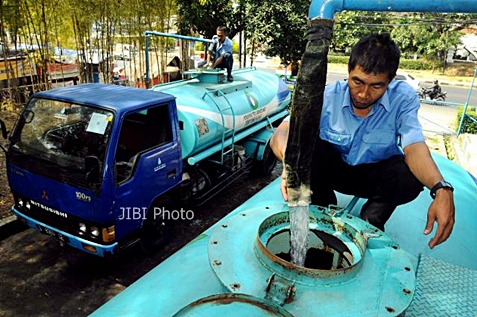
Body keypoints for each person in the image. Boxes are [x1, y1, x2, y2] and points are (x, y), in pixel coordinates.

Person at [270, 33, 455, 249]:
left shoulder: (403, 98)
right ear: (348, 72)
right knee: (309, 149)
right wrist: (290, 164)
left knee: (409, 177)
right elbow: (281, 134)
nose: (364, 94)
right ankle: (321, 206)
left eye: (376, 86)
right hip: (334, 172)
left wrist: (441, 189)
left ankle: (373, 218)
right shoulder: (326, 97)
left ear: (391, 80)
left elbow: (414, 145)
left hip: (373, 177)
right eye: (357, 81)